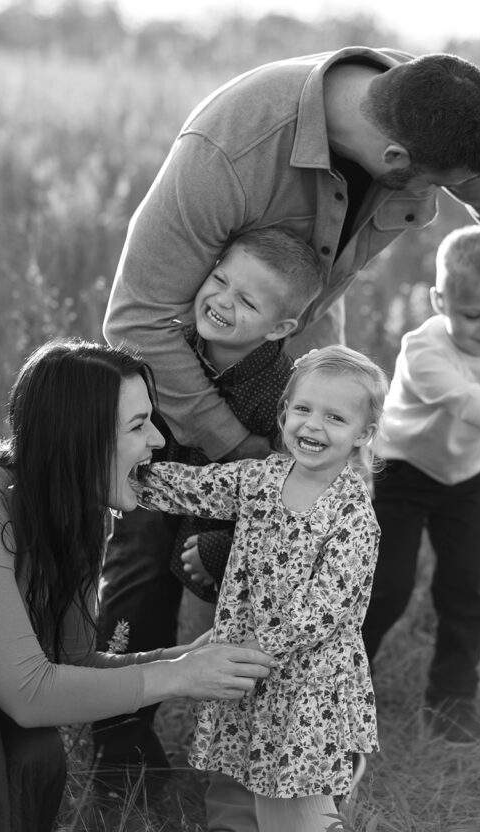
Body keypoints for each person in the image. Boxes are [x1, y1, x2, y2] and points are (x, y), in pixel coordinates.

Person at [0, 339, 274, 832]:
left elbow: (69, 665)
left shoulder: (79, 508)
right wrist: (180, 677)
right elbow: (28, 694)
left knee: (34, 752)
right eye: (138, 426)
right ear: (80, 438)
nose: (158, 441)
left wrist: (190, 658)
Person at [104, 48, 480, 467]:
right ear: (394, 157)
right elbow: (138, 321)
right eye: (435, 184)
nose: (440, 191)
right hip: (185, 377)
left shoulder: (451, 116)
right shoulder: (226, 153)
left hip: (308, 345)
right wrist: (236, 446)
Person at [94, 229, 322, 779]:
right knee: (134, 590)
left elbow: (291, 499)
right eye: (219, 280)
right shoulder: (163, 345)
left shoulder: (285, 394)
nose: (222, 301)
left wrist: (221, 548)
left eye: (247, 301)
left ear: (281, 327)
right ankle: (120, 748)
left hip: (228, 525)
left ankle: (268, 753)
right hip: (150, 488)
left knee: (261, 620)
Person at [132, 346, 389, 832]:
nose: (313, 425)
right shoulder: (262, 477)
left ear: (363, 434)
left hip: (306, 680)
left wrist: (260, 646)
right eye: (303, 409)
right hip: (245, 663)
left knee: (293, 791)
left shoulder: (353, 515)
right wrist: (133, 475)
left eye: (335, 417)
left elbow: (326, 608)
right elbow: (196, 487)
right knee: (233, 768)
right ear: (284, 413)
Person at [361, 226, 480, 744]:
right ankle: (343, 683)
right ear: (440, 301)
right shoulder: (422, 351)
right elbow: (472, 403)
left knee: (465, 589)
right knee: (388, 587)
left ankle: (452, 699)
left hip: (466, 480)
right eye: (473, 315)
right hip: (402, 473)